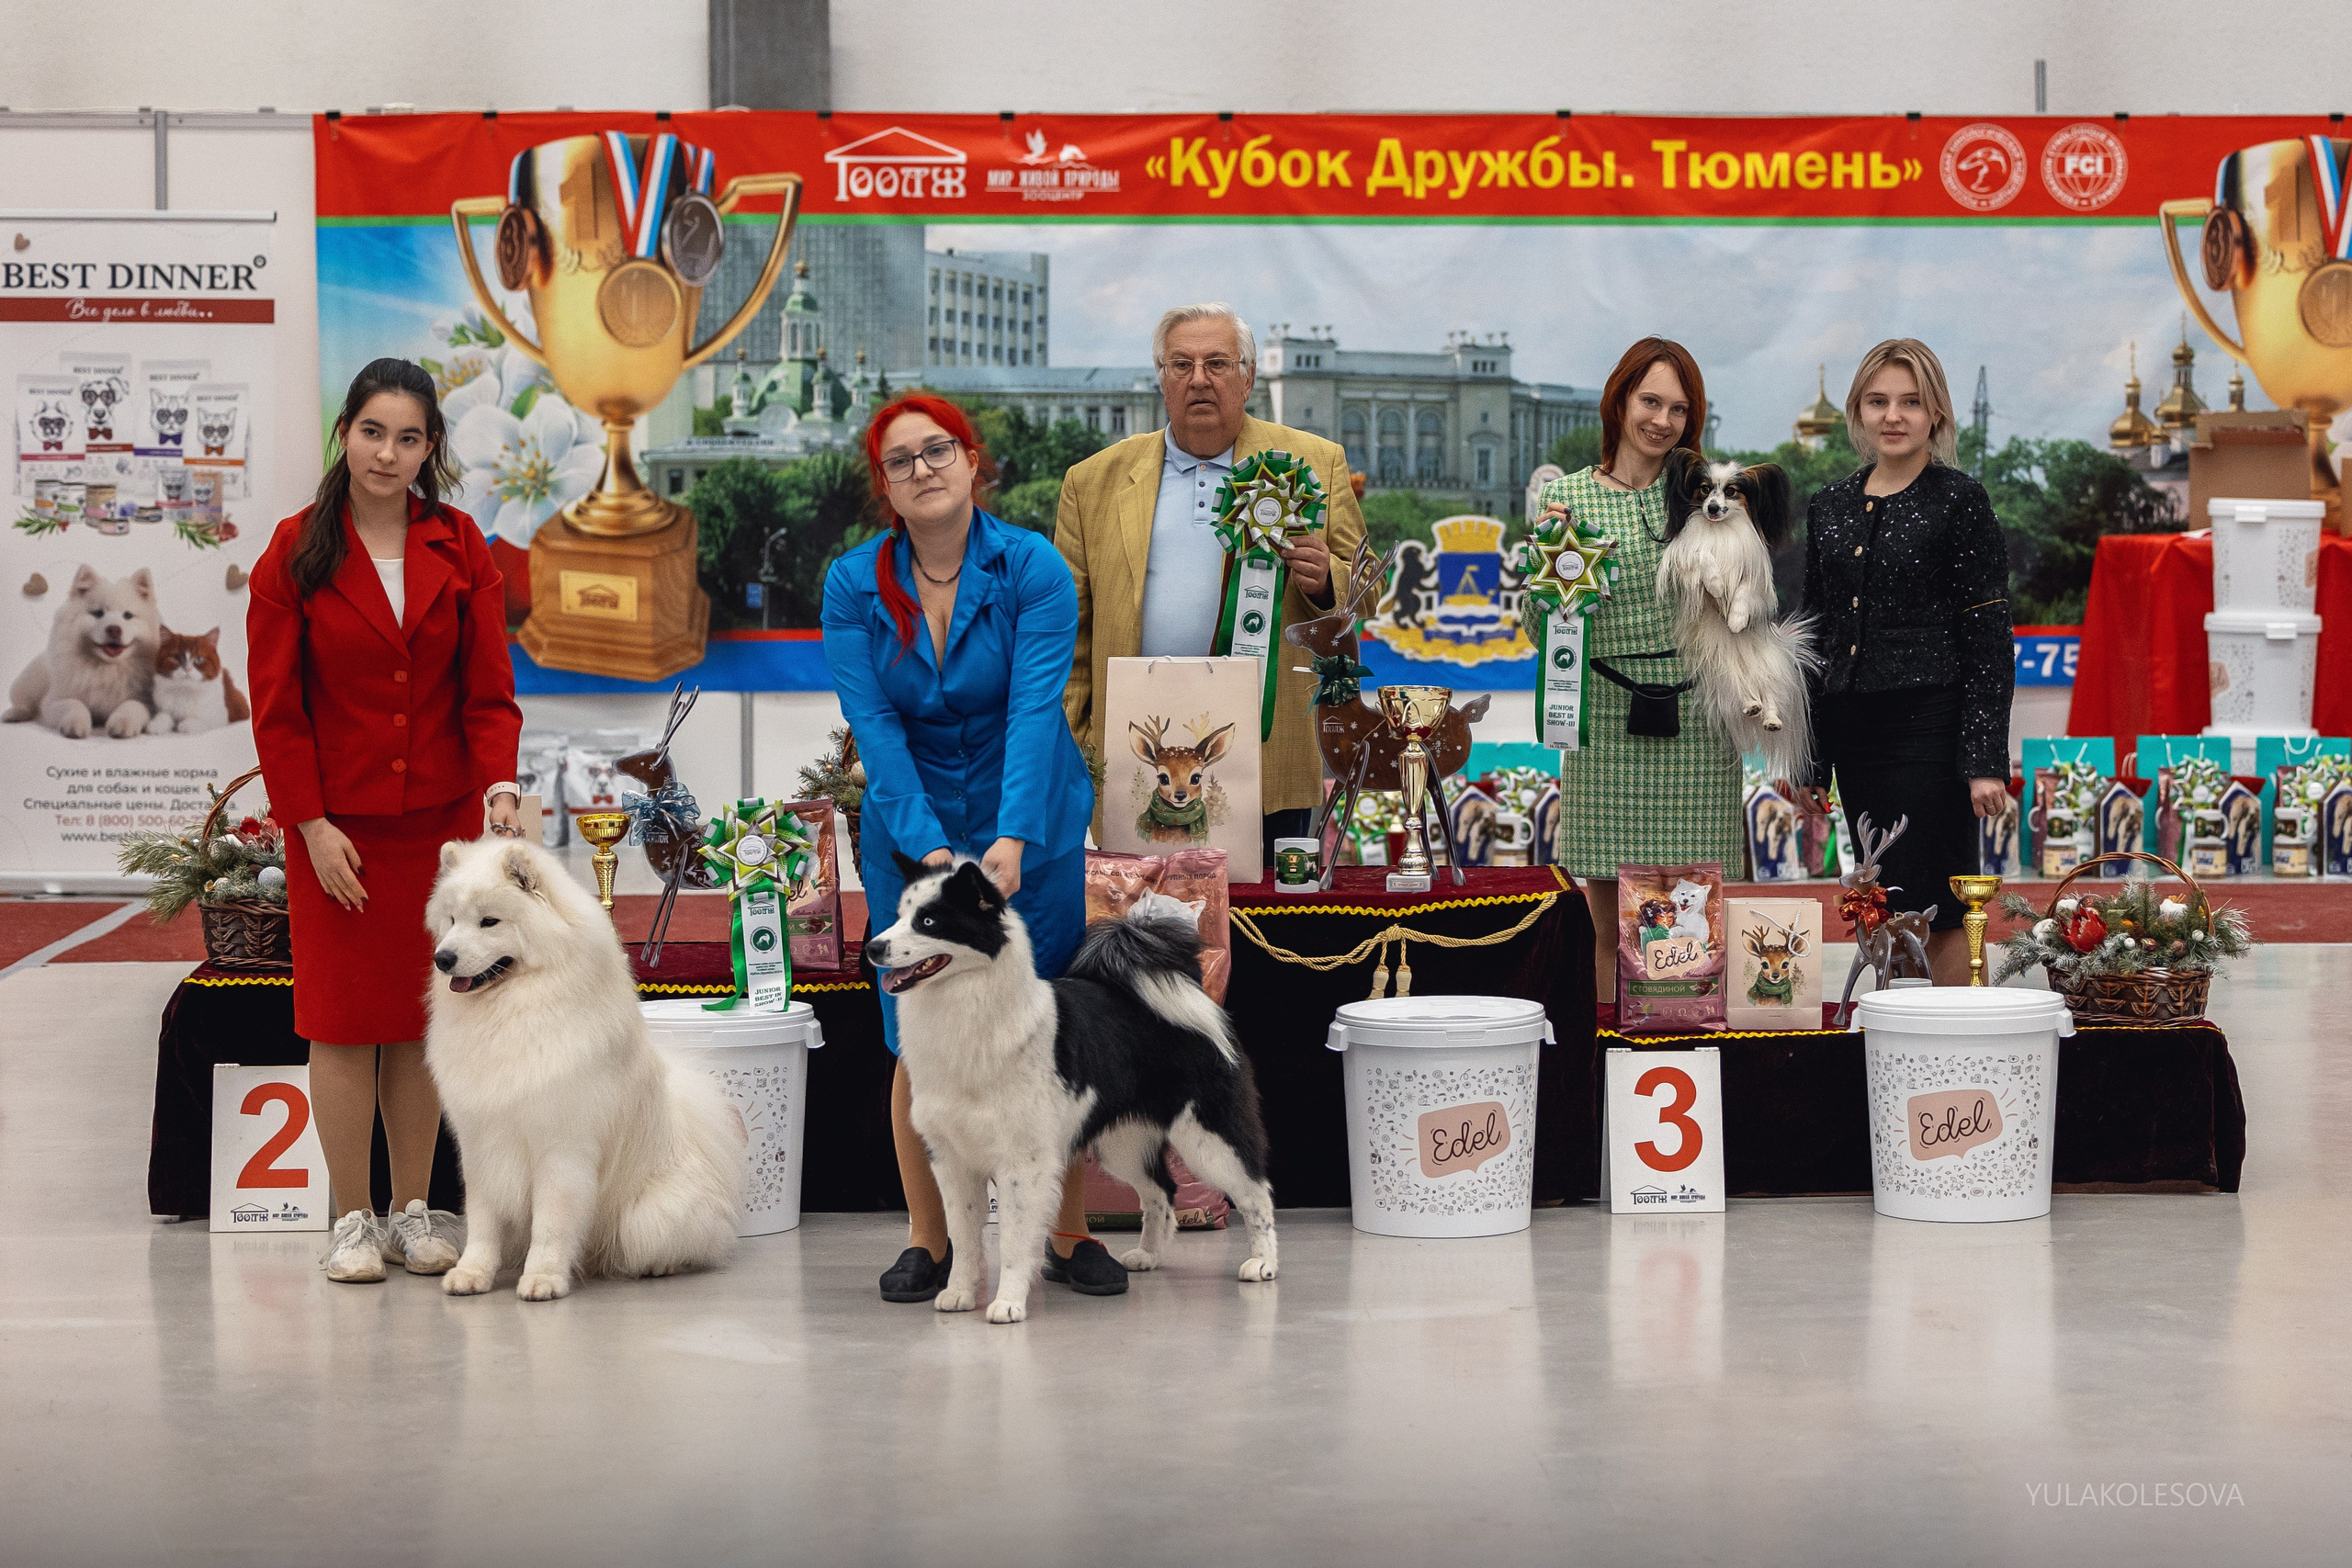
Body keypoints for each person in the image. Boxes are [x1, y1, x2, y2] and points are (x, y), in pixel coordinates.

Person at [820, 394, 1114, 1303]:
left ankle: (1064, 1233)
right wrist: (935, 855)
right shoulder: (850, 583)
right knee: (920, 1039)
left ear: (972, 460)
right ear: (885, 487)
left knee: (1047, 1034)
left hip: (1033, 827)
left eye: (937, 451)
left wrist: (1010, 838)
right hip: (911, 837)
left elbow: (1035, 710)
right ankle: (932, 1239)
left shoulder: (1031, 567)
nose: (922, 470)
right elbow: (874, 726)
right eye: (900, 461)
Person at [246, 357, 524, 1282]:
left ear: (430, 448)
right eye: (374, 432)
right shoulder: (294, 551)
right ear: (344, 434)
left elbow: (487, 695)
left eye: (409, 438)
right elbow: (278, 711)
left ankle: (413, 1210)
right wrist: (311, 825)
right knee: (339, 1020)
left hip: (439, 826)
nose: (389, 453)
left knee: (419, 1018)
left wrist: (498, 792)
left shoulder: (462, 545)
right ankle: (350, 1217)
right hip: (338, 830)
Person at [1054, 303, 1369, 858]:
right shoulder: (1092, 481)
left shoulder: (1315, 462)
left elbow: (1368, 590)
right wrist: (1081, 744)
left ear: (1248, 377)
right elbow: (1068, 632)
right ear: (1161, 377)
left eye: (1218, 363)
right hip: (1140, 755)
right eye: (1181, 364)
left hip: (1271, 748)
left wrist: (1326, 583)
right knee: (1145, 931)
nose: (1198, 379)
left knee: (1270, 932)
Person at [1793, 339, 2013, 985]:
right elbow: (1814, 634)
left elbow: (1988, 634)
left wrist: (1981, 763)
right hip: (1853, 735)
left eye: (1911, 402)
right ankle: (1890, 1036)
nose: (1894, 415)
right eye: (1879, 401)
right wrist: (1810, 759)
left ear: (1936, 414)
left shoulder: (1960, 500)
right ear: (1859, 412)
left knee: (1938, 906)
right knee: (1874, 891)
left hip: (1931, 733)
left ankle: (1947, 1041)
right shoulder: (1829, 506)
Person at [1540, 338, 1744, 987]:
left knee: (1693, 931)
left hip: (1698, 726)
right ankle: (1609, 1071)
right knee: (1609, 936)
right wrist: (1548, 554)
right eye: (1649, 401)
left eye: (1678, 410)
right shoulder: (1565, 496)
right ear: (1620, 400)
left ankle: (1688, 1055)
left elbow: (1747, 591)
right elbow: (1536, 629)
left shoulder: (1706, 494)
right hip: (1604, 724)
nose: (1661, 420)